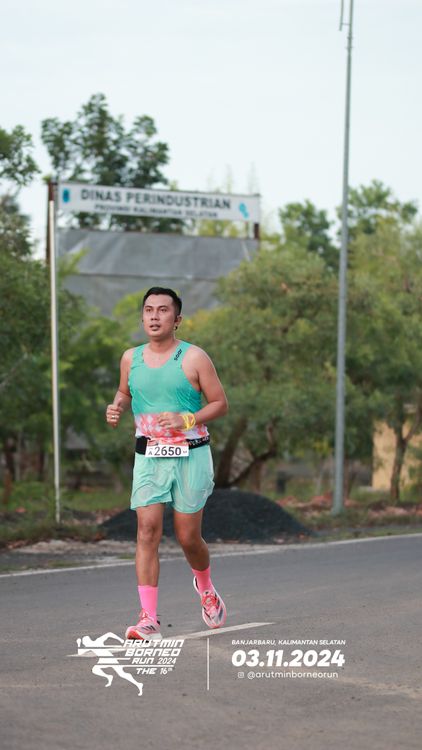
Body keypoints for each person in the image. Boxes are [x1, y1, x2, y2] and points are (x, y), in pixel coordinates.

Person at [106, 287, 229, 640]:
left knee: (188, 537)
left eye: (163, 310)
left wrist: (186, 419)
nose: (154, 316)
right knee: (147, 530)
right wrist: (116, 406)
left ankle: (205, 587)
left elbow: (220, 403)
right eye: (149, 310)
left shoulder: (194, 357)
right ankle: (148, 618)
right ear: (142, 317)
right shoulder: (131, 358)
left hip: (191, 453)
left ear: (177, 319)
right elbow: (125, 391)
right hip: (149, 455)